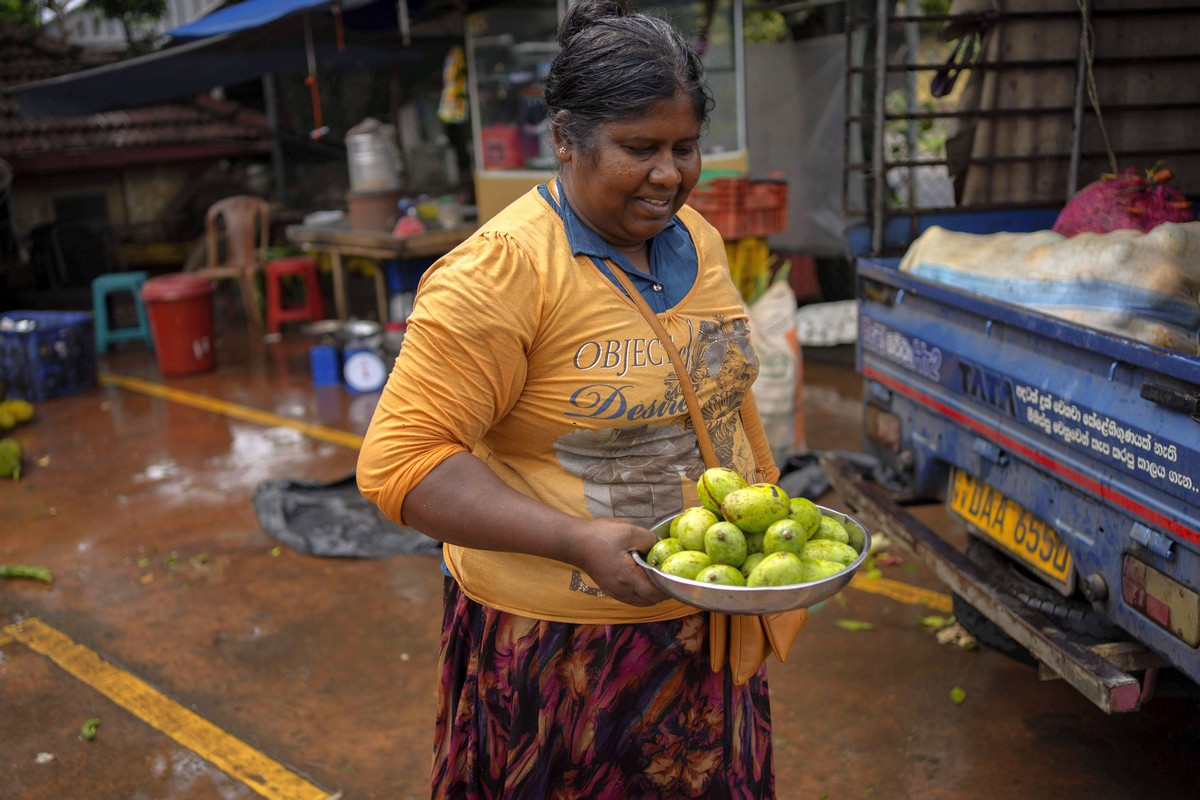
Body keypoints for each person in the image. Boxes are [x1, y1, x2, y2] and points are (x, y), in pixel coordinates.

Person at [357, 0, 784, 796]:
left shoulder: (701, 239)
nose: (669, 174)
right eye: (639, 148)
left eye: (685, 147)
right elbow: (402, 464)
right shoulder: (502, 272)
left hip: (712, 615)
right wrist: (574, 539)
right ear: (565, 140)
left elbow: (722, 397)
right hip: (569, 653)